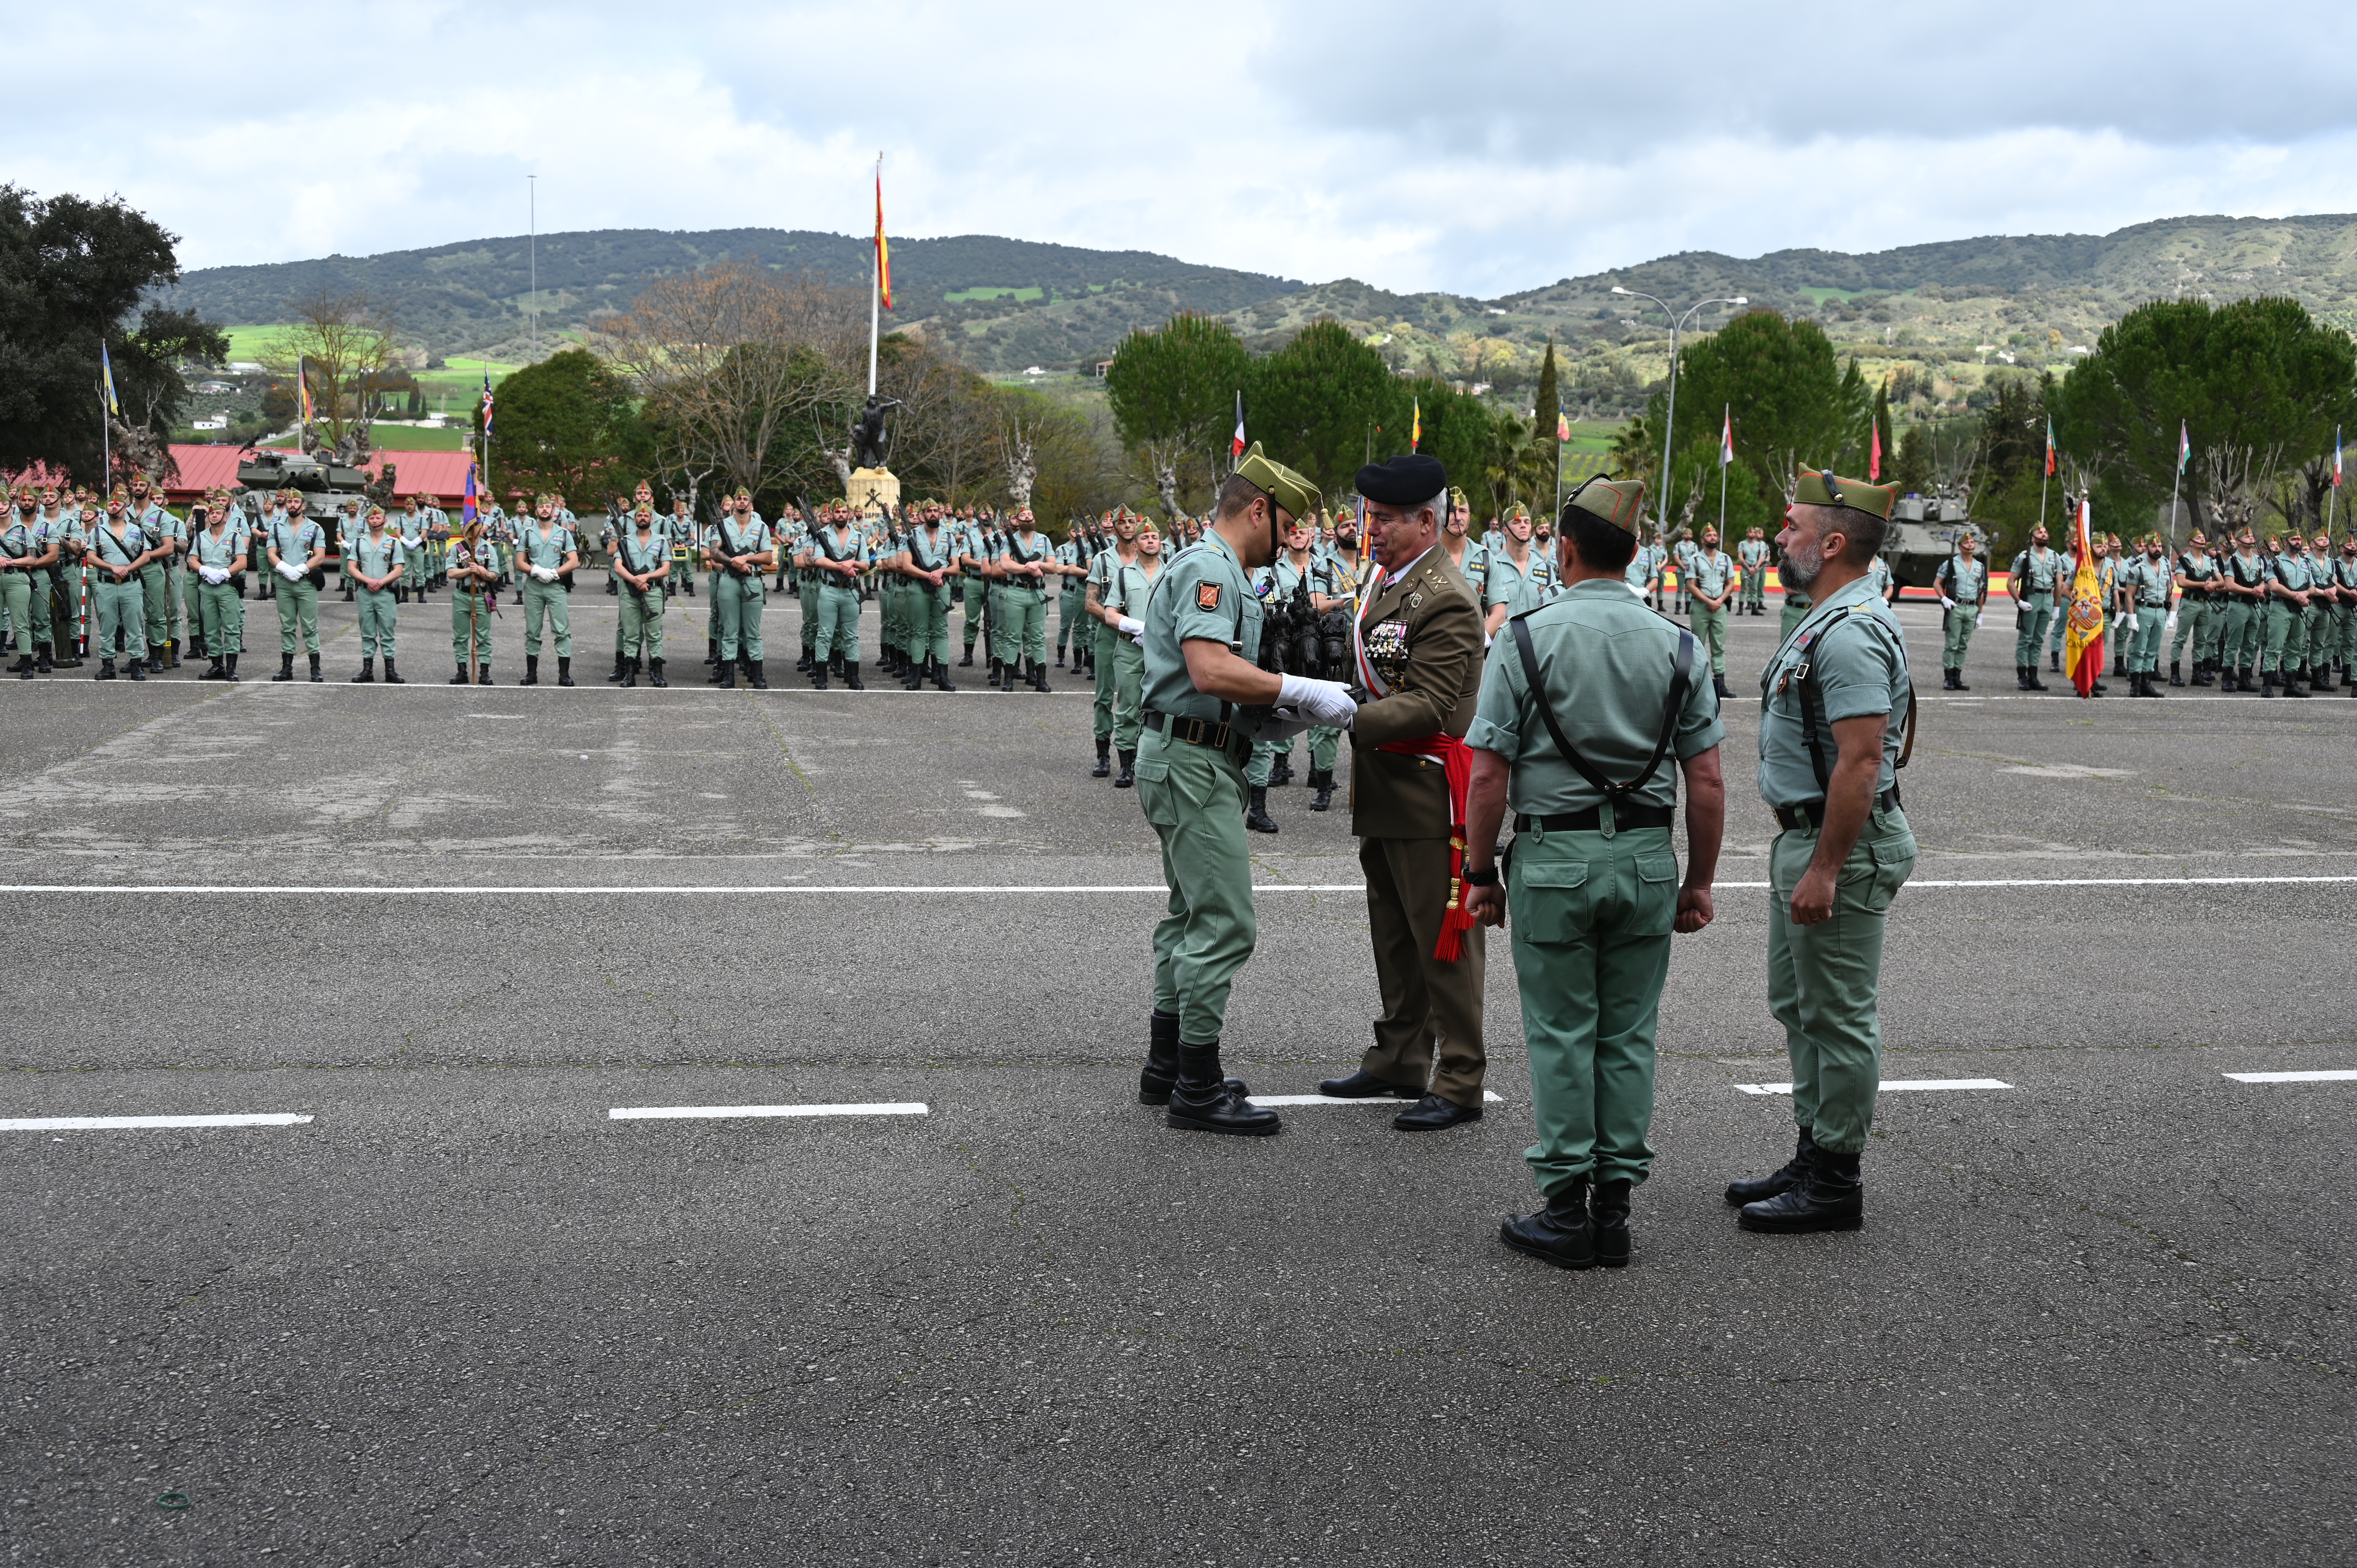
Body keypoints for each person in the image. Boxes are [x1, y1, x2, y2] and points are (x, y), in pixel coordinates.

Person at [1461, 476, 1725, 1270]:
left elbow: (1487, 774)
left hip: (1555, 860)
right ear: (1636, 552)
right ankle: (1615, 1208)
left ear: (1564, 550)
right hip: (1646, 859)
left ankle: (1567, 1208)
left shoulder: (1527, 637)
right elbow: (1706, 780)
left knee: (1563, 1034)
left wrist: (1479, 872)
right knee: (1628, 1034)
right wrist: (1699, 881)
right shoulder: (1681, 642)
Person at [1133, 443, 1348, 1135]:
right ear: (1258, 508)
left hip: (1194, 753)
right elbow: (1207, 669)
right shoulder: (1209, 568)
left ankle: (1168, 1066)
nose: (1287, 539)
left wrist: (1278, 714)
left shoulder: (1218, 566)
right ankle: (1196, 1084)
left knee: (1188, 916)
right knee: (1225, 922)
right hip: (1192, 763)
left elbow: (1222, 684)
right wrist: (1297, 686)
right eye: (1284, 525)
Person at [1728, 470, 1918, 1234]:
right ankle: (1813, 1148)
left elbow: (1865, 761)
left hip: (1838, 843)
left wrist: (1827, 868)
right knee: (1801, 1005)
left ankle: (1836, 1176)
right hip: (1809, 835)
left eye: (1791, 526)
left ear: (1832, 543)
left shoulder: (1850, 631)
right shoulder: (1828, 617)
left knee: (1837, 1015)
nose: (1780, 538)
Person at [1314, 452, 1489, 1132]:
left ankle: (1461, 1074)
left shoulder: (1444, 593)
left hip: (1427, 792)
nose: (1371, 528)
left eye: (1384, 519)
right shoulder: (1389, 580)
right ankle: (1398, 1055)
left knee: (1443, 943)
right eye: (1370, 516)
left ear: (1426, 521)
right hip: (1386, 785)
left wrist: (1340, 714)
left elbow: (1431, 704)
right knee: (1394, 936)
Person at [1103, 522, 1166, 788]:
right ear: (1135, 544)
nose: (1151, 541)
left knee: (1162, 707)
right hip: (1130, 649)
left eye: (1155, 537)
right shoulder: (1123, 575)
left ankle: (1153, 762)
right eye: (1145, 537)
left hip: (1164, 651)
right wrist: (1137, 627)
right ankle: (1127, 766)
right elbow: (1109, 614)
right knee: (1129, 708)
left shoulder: (1172, 573)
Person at [1084, 511, 1140, 776]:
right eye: (1122, 523)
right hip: (1109, 634)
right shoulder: (1103, 560)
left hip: (1141, 638)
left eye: (1131, 522)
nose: (1127, 526)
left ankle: (1136, 755)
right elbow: (1090, 602)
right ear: (1114, 528)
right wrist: (1117, 621)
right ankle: (1103, 754)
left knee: (1141, 696)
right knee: (1105, 696)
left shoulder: (1150, 557)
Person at [709, 490, 774, 689]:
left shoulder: (761, 527)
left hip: (753, 580)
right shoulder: (723, 526)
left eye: (745, 499)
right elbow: (714, 552)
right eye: (739, 499)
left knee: (753, 631)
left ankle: (757, 675)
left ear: (751, 504)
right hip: (729, 580)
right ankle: (729, 675)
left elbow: (768, 558)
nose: (742, 501)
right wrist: (733, 562)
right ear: (734, 504)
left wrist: (746, 558)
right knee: (729, 629)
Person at [85, 490, 152, 681]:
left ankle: (136, 664)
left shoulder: (136, 531)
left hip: (131, 584)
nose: (114, 507)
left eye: (118, 505)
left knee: (134, 625)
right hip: (106, 584)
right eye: (110, 505)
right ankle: (108, 665)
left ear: (125, 510)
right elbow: (91, 556)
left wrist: (128, 568)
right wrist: (112, 567)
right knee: (107, 626)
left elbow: (146, 555)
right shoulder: (98, 531)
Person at [514, 494, 578, 686]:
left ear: (554, 510)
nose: (545, 510)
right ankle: (531, 674)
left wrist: (555, 573)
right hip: (534, 586)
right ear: (536, 511)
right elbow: (519, 563)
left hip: (556, 586)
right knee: (532, 631)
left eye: (548, 506)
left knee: (561, 630)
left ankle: (564, 674)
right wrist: (536, 570)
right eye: (541, 507)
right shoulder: (527, 534)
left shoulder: (564, 534)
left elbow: (574, 561)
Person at [263, 492, 328, 683]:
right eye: (290, 501)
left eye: (296, 502)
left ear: (303, 505)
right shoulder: (276, 528)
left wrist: (300, 570)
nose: (293, 505)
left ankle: (315, 669)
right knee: (287, 627)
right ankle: (287, 668)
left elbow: (320, 556)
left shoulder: (316, 529)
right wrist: (285, 569)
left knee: (310, 626)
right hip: (284, 584)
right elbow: (271, 554)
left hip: (306, 584)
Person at [805, 504, 869, 689]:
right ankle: (822, 676)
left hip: (850, 591)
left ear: (849, 515)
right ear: (831, 514)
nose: (841, 515)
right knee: (825, 634)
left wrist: (853, 563)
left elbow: (865, 564)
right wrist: (841, 567)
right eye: (837, 512)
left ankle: (853, 676)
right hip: (829, 590)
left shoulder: (858, 536)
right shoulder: (823, 535)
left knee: (851, 636)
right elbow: (818, 560)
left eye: (844, 512)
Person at [187, 501, 248, 681]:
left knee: (231, 628)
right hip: (207, 587)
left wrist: (224, 573)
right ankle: (217, 666)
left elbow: (243, 562)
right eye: (212, 513)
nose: (214, 516)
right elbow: (192, 561)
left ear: (225, 517)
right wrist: (205, 570)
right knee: (211, 629)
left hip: (227, 587)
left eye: (218, 513)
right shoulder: (201, 537)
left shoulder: (234, 537)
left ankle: (231, 668)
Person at [998, 508, 1058, 691]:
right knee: (1013, 637)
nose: (1026, 517)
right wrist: (1028, 569)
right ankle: (1008, 679)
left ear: (1034, 519)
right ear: (1016, 520)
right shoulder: (1009, 540)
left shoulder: (1044, 540)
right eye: (1022, 516)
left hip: (1037, 594)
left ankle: (1041, 680)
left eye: (1029, 515)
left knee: (1038, 638)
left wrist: (1038, 564)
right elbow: (1005, 564)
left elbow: (1053, 566)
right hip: (1016, 592)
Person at [613, 498, 671, 687]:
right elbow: (618, 567)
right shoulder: (625, 541)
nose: (643, 518)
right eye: (639, 515)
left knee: (654, 635)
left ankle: (657, 674)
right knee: (631, 635)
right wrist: (635, 580)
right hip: (630, 593)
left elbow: (666, 569)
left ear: (652, 519)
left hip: (653, 592)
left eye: (646, 515)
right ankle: (629, 675)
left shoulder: (661, 541)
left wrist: (645, 578)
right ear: (635, 519)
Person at [345, 505, 406, 682]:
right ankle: (368, 671)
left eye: (378, 518)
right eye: (371, 518)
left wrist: (381, 582)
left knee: (387, 632)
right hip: (365, 593)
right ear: (367, 521)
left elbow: (398, 570)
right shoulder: (358, 542)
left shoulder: (394, 543)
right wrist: (368, 581)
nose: (375, 520)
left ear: (385, 521)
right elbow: (351, 568)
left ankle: (390, 671)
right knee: (367, 632)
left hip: (385, 593)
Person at [902, 506, 959, 690]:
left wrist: (941, 571)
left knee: (941, 633)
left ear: (940, 514)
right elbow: (906, 566)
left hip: (942, 588)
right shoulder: (911, 536)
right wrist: (929, 576)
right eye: (929, 511)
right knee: (919, 632)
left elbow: (956, 567)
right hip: (919, 588)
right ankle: (916, 676)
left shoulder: (949, 536)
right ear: (922, 515)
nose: (933, 514)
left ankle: (943, 676)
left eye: (936, 510)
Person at [1483, 510, 1559, 638]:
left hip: (1539, 647)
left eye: (1527, 522)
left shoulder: (1546, 570)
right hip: (1502, 648)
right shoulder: (1492, 567)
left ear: (1531, 528)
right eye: (1517, 522)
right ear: (1505, 531)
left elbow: (1555, 613)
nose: (1523, 525)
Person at [2010, 522, 2067, 691]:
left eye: (2045, 532)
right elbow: (2011, 582)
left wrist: (2057, 607)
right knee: (2026, 639)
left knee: (2039, 640)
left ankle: (2033, 676)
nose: (2044, 535)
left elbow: (2059, 583)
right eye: (2040, 533)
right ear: (2033, 537)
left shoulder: (2055, 556)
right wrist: (2019, 601)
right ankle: (2022, 676)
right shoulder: (2025, 557)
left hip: (2047, 598)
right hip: (2032, 597)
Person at [2118, 534, 2173, 697]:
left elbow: (2169, 591)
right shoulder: (2138, 568)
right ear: (2147, 548)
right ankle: (2135, 685)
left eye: (2160, 546)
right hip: (2143, 610)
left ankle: (2146, 684)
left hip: (2160, 611)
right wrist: (2132, 618)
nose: (2158, 549)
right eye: (2154, 546)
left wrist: (2171, 615)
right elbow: (2129, 595)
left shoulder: (2165, 566)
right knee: (2138, 649)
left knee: (2153, 650)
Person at [1685, 526, 1737, 698]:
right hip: (1701, 607)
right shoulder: (1695, 560)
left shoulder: (1726, 559)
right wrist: (1709, 601)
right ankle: (1697, 683)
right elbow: (1691, 585)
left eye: (1715, 535)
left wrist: (1719, 601)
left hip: (1720, 607)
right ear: (1703, 539)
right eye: (1709, 535)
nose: (1713, 537)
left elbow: (1731, 583)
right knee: (1697, 646)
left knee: (1719, 646)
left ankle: (1720, 684)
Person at [447, 518, 500, 684]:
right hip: (462, 595)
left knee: (483, 636)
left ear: (480, 530)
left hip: (481, 595)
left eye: (473, 527)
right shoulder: (457, 549)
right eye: (466, 527)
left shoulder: (488, 548)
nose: (470, 530)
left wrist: (483, 573)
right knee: (461, 636)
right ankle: (462, 671)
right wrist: (468, 570)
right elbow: (451, 573)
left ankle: (484, 672)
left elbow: (495, 575)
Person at [1933, 531, 1986, 690]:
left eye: (1972, 543)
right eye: (1967, 543)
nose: (1970, 545)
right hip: (1956, 607)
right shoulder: (1951, 564)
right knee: (1952, 644)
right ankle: (1948, 678)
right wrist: (1944, 598)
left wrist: (1981, 613)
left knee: (1963, 645)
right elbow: (1937, 583)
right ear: (1960, 546)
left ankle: (1958, 677)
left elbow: (1981, 591)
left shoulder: (1980, 566)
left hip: (1972, 608)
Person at [2261, 532, 2312, 697]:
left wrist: (2304, 595)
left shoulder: (2305, 562)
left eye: (2299, 539)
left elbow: (2312, 586)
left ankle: (2291, 684)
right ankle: (2267, 685)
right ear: (2285, 543)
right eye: (2294, 540)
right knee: (2274, 647)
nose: (2298, 542)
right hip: (2281, 608)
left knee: (2296, 647)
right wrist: (2296, 596)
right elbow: (2274, 586)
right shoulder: (2275, 563)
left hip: (2300, 609)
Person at [2169, 531, 2221, 687]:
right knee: (2181, 639)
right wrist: (2203, 585)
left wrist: (2214, 585)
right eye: (2198, 538)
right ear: (2191, 543)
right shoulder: (2185, 560)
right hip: (2190, 603)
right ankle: (2175, 674)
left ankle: (2197, 674)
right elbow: (2181, 582)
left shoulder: (2210, 561)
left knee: (2201, 640)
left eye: (2203, 538)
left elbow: (2222, 581)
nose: (2202, 540)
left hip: (2205, 603)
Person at [1738, 526, 1770, 615]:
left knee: (1754, 588)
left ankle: (1754, 608)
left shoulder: (1760, 545)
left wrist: (1756, 568)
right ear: (1747, 534)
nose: (1752, 534)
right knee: (1744, 588)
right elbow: (1741, 558)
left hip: (1756, 569)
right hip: (1746, 568)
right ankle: (1741, 608)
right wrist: (1749, 568)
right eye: (1750, 532)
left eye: (1753, 533)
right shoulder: (1743, 544)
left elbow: (1761, 557)